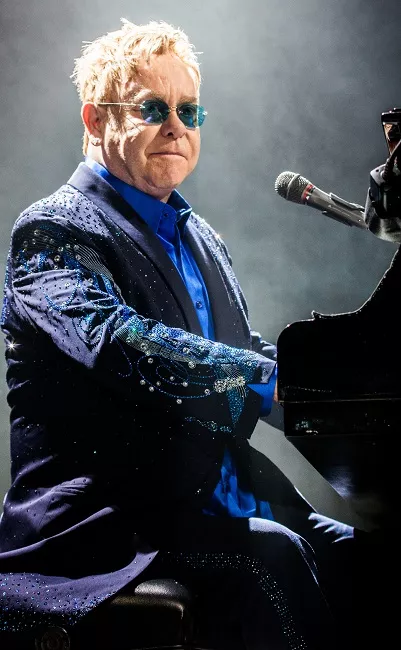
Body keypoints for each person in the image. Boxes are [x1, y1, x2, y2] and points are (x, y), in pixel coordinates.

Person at [0, 19, 383, 650]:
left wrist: (351, 400)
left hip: (217, 500)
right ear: (95, 119)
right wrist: (261, 377)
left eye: (189, 110)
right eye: (153, 108)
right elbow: (118, 340)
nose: (177, 126)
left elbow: (242, 349)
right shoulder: (50, 230)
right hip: (107, 525)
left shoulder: (201, 237)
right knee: (274, 558)